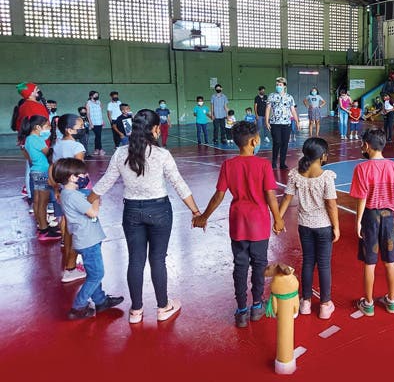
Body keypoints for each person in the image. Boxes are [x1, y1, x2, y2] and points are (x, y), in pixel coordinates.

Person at [91, 109, 201, 324]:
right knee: (158, 260)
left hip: (131, 211)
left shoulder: (121, 153)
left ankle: (136, 311)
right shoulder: (161, 155)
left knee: (135, 260)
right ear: (155, 129)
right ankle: (163, 306)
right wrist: (196, 212)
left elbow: (105, 182)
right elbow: (179, 184)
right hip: (159, 210)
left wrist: (85, 200)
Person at [192, 121, 284, 327]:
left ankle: (241, 310)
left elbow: (218, 196)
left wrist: (204, 216)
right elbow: (270, 195)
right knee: (259, 265)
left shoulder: (228, 165)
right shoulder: (263, 165)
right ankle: (257, 305)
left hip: (238, 223)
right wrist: (278, 219)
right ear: (254, 141)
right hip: (259, 223)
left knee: (240, 265)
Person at [52, 158, 124, 320]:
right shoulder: (72, 196)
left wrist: (91, 196)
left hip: (87, 237)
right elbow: (93, 212)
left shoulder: (69, 193)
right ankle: (78, 306)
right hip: (88, 240)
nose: (86, 176)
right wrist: (96, 197)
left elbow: (86, 199)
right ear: (72, 177)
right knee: (97, 274)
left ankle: (100, 300)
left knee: (93, 272)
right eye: (82, 174)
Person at [278, 138, 339, 319]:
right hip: (323, 227)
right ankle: (325, 305)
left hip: (304, 226)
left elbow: (287, 198)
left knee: (307, 262)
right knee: (324, 265)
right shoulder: (326, 176)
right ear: (323, 156)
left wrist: (278, 219)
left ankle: (305, 302)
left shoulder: (296, 175)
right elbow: (331, 205)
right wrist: (336, 227)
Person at [350, 129, 394, 316]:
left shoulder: (362, 169)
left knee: (370, 263)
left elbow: (362, 199)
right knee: (390, 262)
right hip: (388, 217)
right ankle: (391, 301)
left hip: (370, 218)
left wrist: (357, 222)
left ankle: (368, 303)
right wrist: (387, 201)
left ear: (366, 146)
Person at [52, 114, 88, 283]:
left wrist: (56, 188)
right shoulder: (77, 146)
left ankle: (69, 263)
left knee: (67, 227)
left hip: (63, 188)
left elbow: (54, 168)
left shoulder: (57, 145)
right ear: (69, 129)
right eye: (80, 126)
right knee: (77, 229)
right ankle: (71, 267)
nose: (82, 128)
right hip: (75, 189)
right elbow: (79, 170)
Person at [21, 115, 61, 241]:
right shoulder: (36, 139)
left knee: (38, 201)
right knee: (43, 202)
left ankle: (42, 226)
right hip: (42, 171)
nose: (48, 129)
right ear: (37, 127)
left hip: (35, 171)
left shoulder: (28, 139)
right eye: (46, 126)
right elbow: (47, 152)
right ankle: (44, 230)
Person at [16, 82, 49, 203]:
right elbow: (42, 124)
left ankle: (36, 198)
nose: (38, 91)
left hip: (30, 141)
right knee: (39, 170)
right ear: (30, 93)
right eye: (36, 89)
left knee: (32, 169)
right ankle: (42, 199)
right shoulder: (35, 107)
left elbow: (19, 124)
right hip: (40, 142)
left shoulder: (24, 106)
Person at [265, 77, 299, 170]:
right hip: (275, 123)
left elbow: (293, 110)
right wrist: (266, 121)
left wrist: (297, 121)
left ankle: (282, 163)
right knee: (277, 142)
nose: (278, 86)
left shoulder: (289, 97)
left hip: (286, 123)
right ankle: (274, 162)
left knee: (285, 143)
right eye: (277, 85)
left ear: (284, 86)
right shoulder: (271, 96)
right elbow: (268, 108)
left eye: (280, 85)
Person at [86, 91, 104, 156]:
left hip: (99, 121)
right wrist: (90, 123)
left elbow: (100, 111)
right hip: (93, 122)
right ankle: (101, 149)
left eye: (97, 95)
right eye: (95, 95)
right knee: (98, 135)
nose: (97, 96)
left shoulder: (99, 102)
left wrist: (102, 121)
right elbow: (88, 113)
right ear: (91, 96)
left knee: (98, 136)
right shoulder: (88, 103)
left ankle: (96, 149)